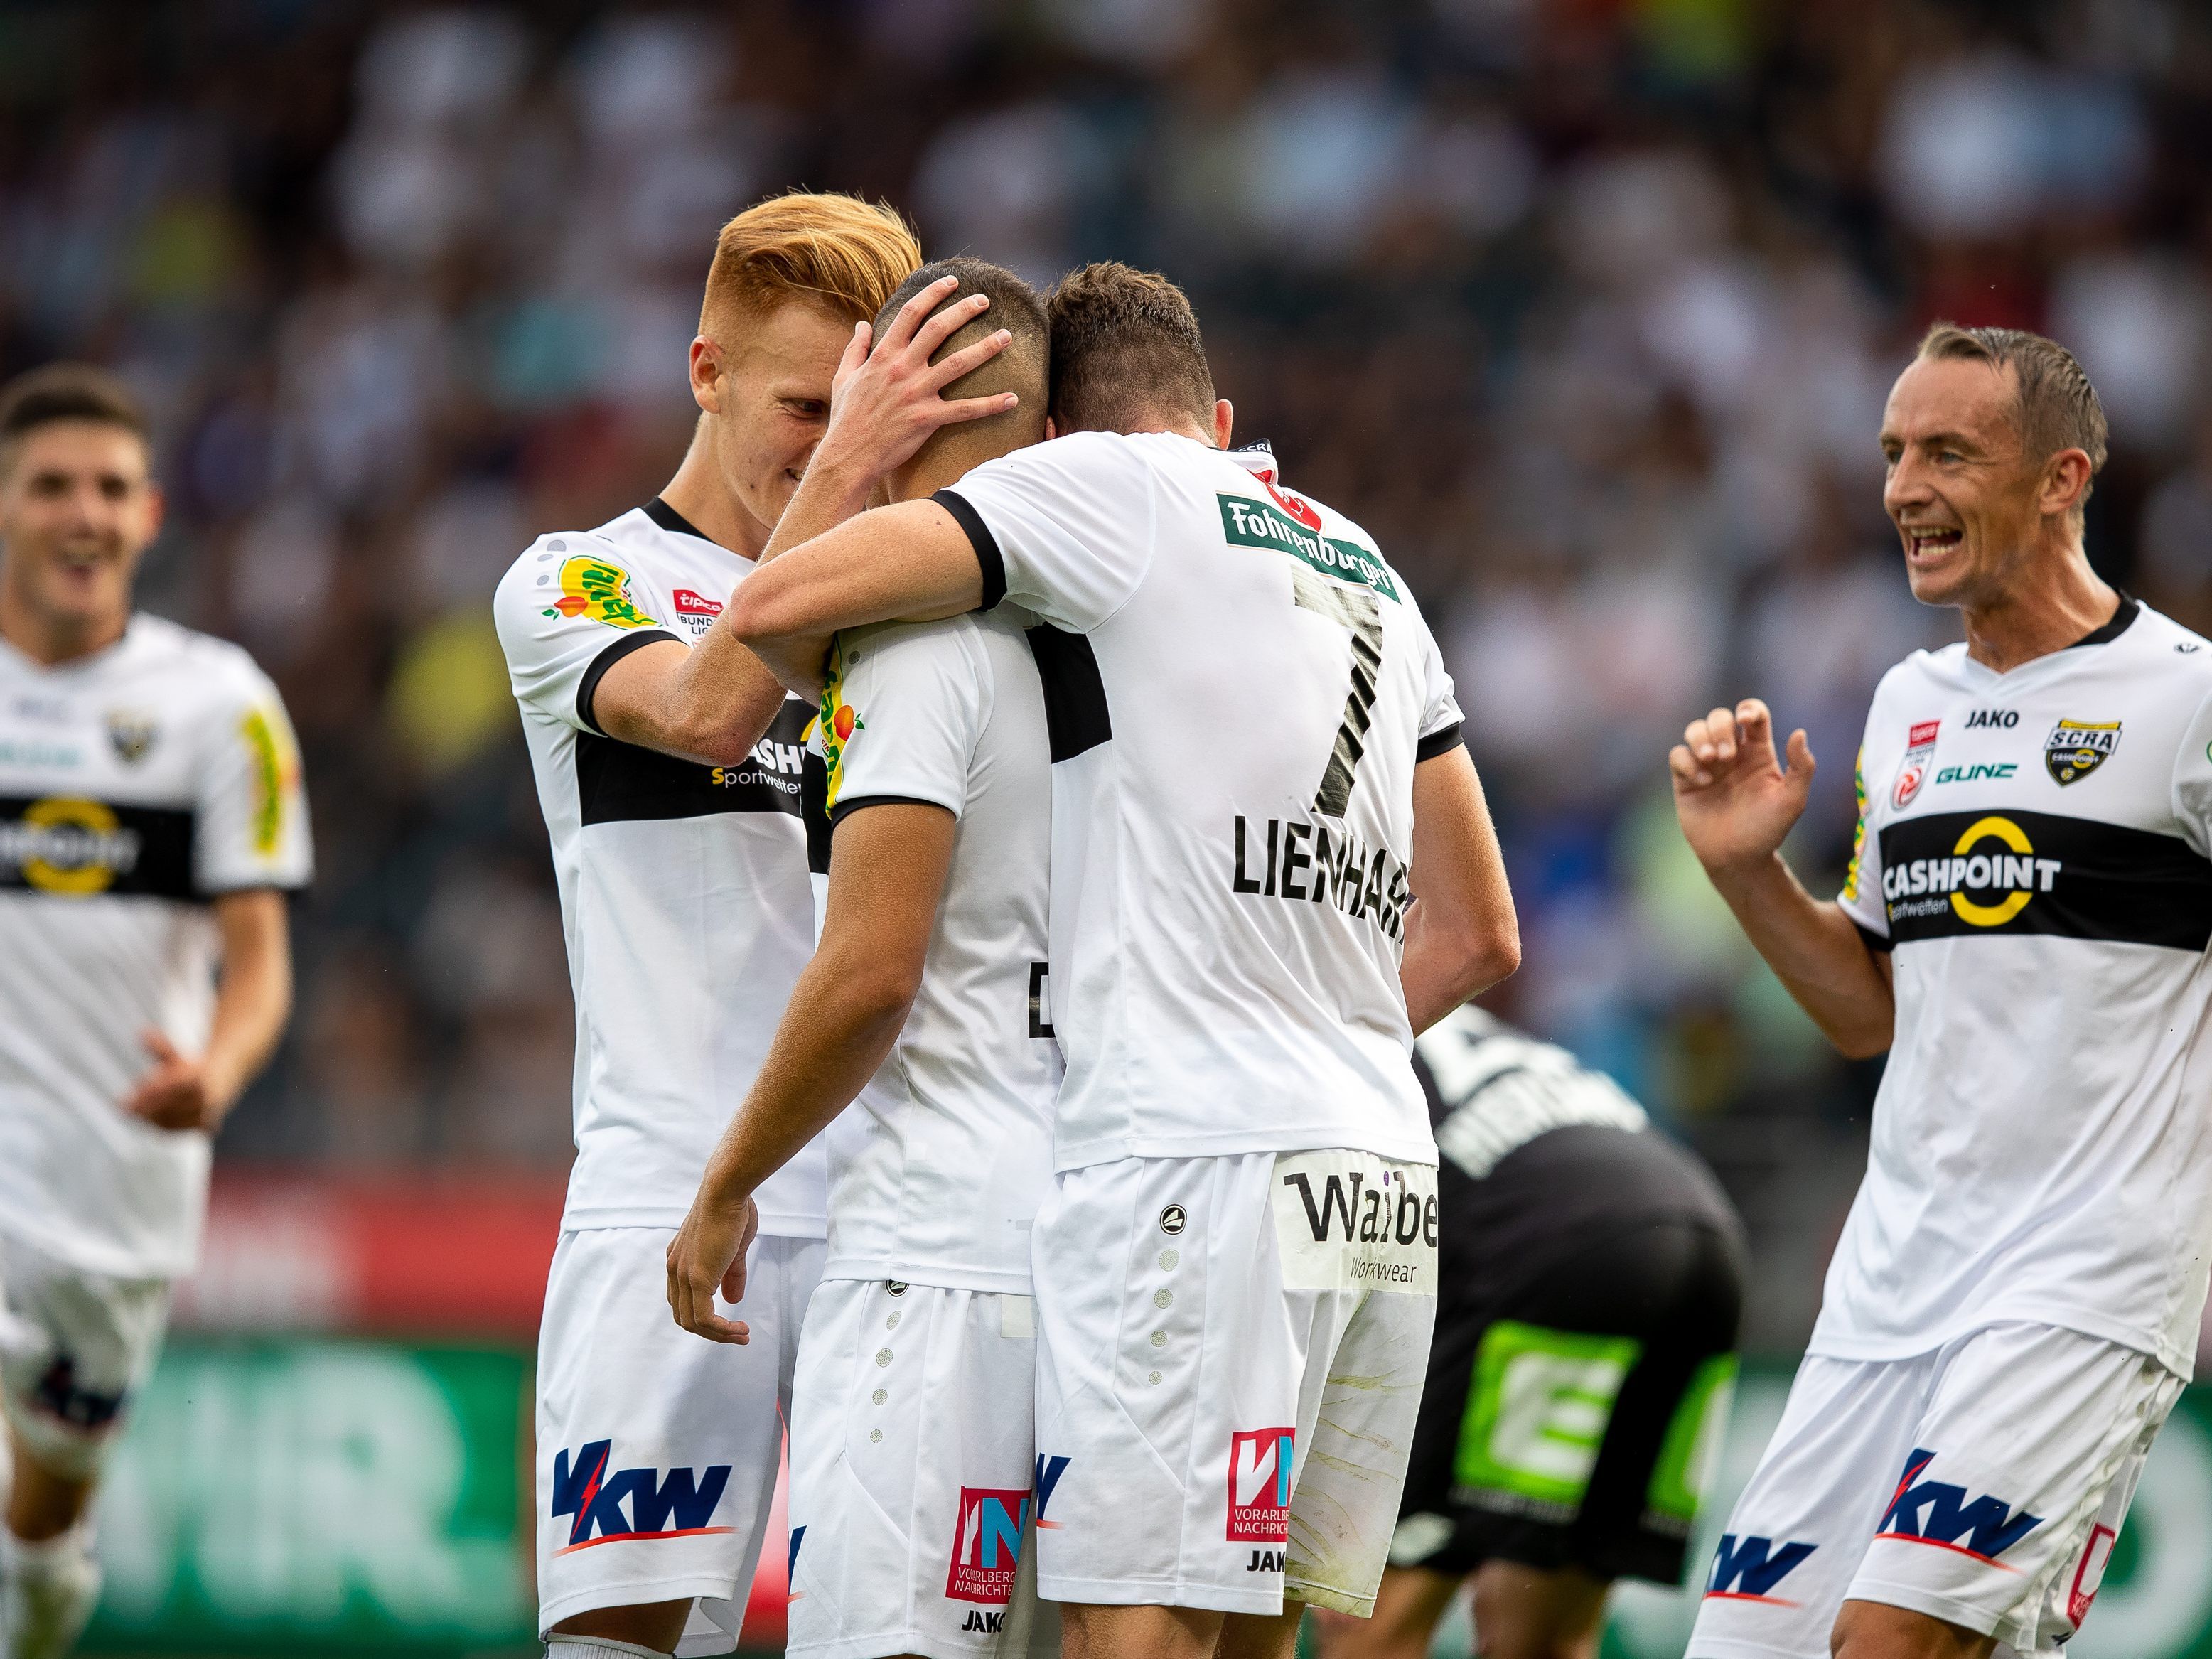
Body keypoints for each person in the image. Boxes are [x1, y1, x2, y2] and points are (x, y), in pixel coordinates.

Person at [726, 262, 1523, 1659]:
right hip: (1377, 1174)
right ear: (1220, 413)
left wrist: (854, 440)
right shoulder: (1364, 562)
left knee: (1131, 1630)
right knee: (1254, 1635)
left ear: (1056, 436)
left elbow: (772, 607)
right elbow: (1475, 934)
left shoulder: (1100, 491)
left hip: (1191, 1157)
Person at [493, 193, 1013, 1659]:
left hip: (902, 1216)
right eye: (804, 402)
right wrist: (853, 464)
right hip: (669, 1195)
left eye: (861, 403)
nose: (828, 436)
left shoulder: (924, 616)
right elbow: (712, 709)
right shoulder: (576, 581)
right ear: (703, 370)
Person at [1670, 323, 2212, 1659]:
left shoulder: (2185, 700)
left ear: (2060, 479)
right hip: (1889, 1282)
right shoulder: (1908, 705)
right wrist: (1748, 872)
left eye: (1949, 452)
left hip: (2083, 1275)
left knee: (1891, 1643)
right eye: (1893, 452)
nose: (1902, 487)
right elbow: (1869, 1010)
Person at [666, 255, 1061, 1659]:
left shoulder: (914, 651)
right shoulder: (1124, 638)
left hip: (942, 1253)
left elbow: (869, 975)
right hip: (1115, 1231)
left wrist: (728, 1180)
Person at [0, 364, 309, 1659]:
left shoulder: (218, 703)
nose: (85, 513)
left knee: (44, 1517)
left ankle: (39, 1597)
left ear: (151, 514)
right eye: (52, 485)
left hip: (115, 1187)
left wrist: (217, 1074)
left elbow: (260, 958)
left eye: (110, 489)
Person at [1312, 1005, 1746, 1659]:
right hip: (1706, 1234)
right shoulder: (1440, 1004)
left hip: (1556, 1240)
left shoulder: (1314, 1025)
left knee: (1368, 1608)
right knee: (1548, 1633)